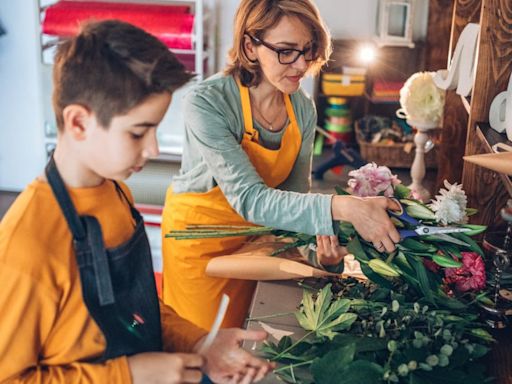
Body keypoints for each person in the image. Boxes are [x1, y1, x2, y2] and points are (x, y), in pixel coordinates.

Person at [0, 20, 273, 384]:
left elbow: (136, 311)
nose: (154, 149)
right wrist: (127, 374)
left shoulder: (115, 192)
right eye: (138, 132)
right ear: (79, 123)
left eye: (155, 129)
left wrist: (199, 342)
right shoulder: (26, 247)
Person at [162, 0, 401, 331]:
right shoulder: (207, 102)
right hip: (200, 248)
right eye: (287, 51)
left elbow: (293, 202)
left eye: (308, 50)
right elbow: (249, 199)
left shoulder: (302, 110)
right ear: (250, 45)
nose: (301, 64)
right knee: (204, 345)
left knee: (249, 342)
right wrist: (347, 208)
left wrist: (322, 254)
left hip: (258, 245)